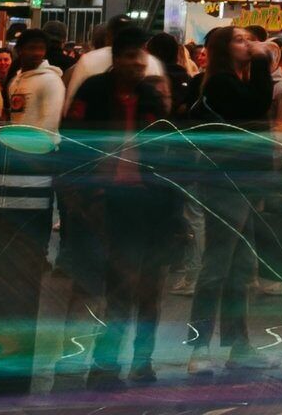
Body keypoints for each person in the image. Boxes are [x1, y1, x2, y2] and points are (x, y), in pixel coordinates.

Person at [67, 23, 181, 387]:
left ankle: (142, 361)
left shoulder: (150, 97)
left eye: (142, 57)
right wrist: (86, 196)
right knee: (116, 288)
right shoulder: (95, 91)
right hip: (107, 202)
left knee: (150, 288)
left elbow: (167, 151)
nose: (138, 63)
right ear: (116, 59)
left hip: (150, 204)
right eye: (131, 56)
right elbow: (75, 142)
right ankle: (104, 364)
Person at [182, 28, 275, 378]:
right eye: (239, 40)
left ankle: (239, 346)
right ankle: (199, 346)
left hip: (243, 181)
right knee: (218, 266)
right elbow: (258, 104)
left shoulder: (230, 80)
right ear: (223, 50)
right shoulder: (221, 82)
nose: (247, 44)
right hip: (226, 182)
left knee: (240, 269)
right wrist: (264, 62)